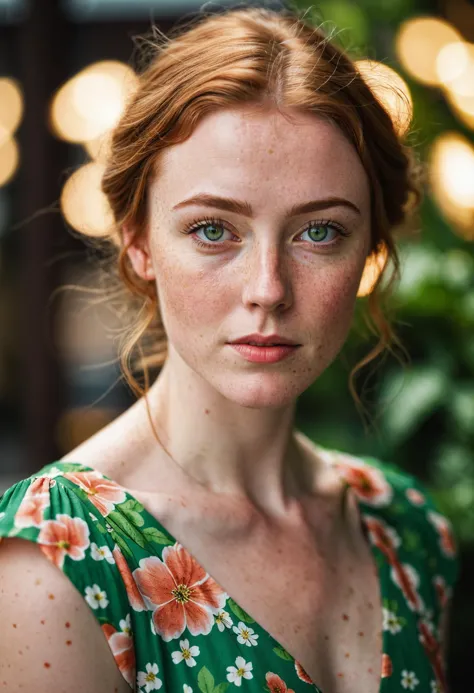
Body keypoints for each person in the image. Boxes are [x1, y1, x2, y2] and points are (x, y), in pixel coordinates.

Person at [0, 6, 459, 693]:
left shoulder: (410, 531)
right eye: (215, 228)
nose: (268, 289)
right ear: (138, 240)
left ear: (372, 249)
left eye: (321, 233)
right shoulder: (59, 560)